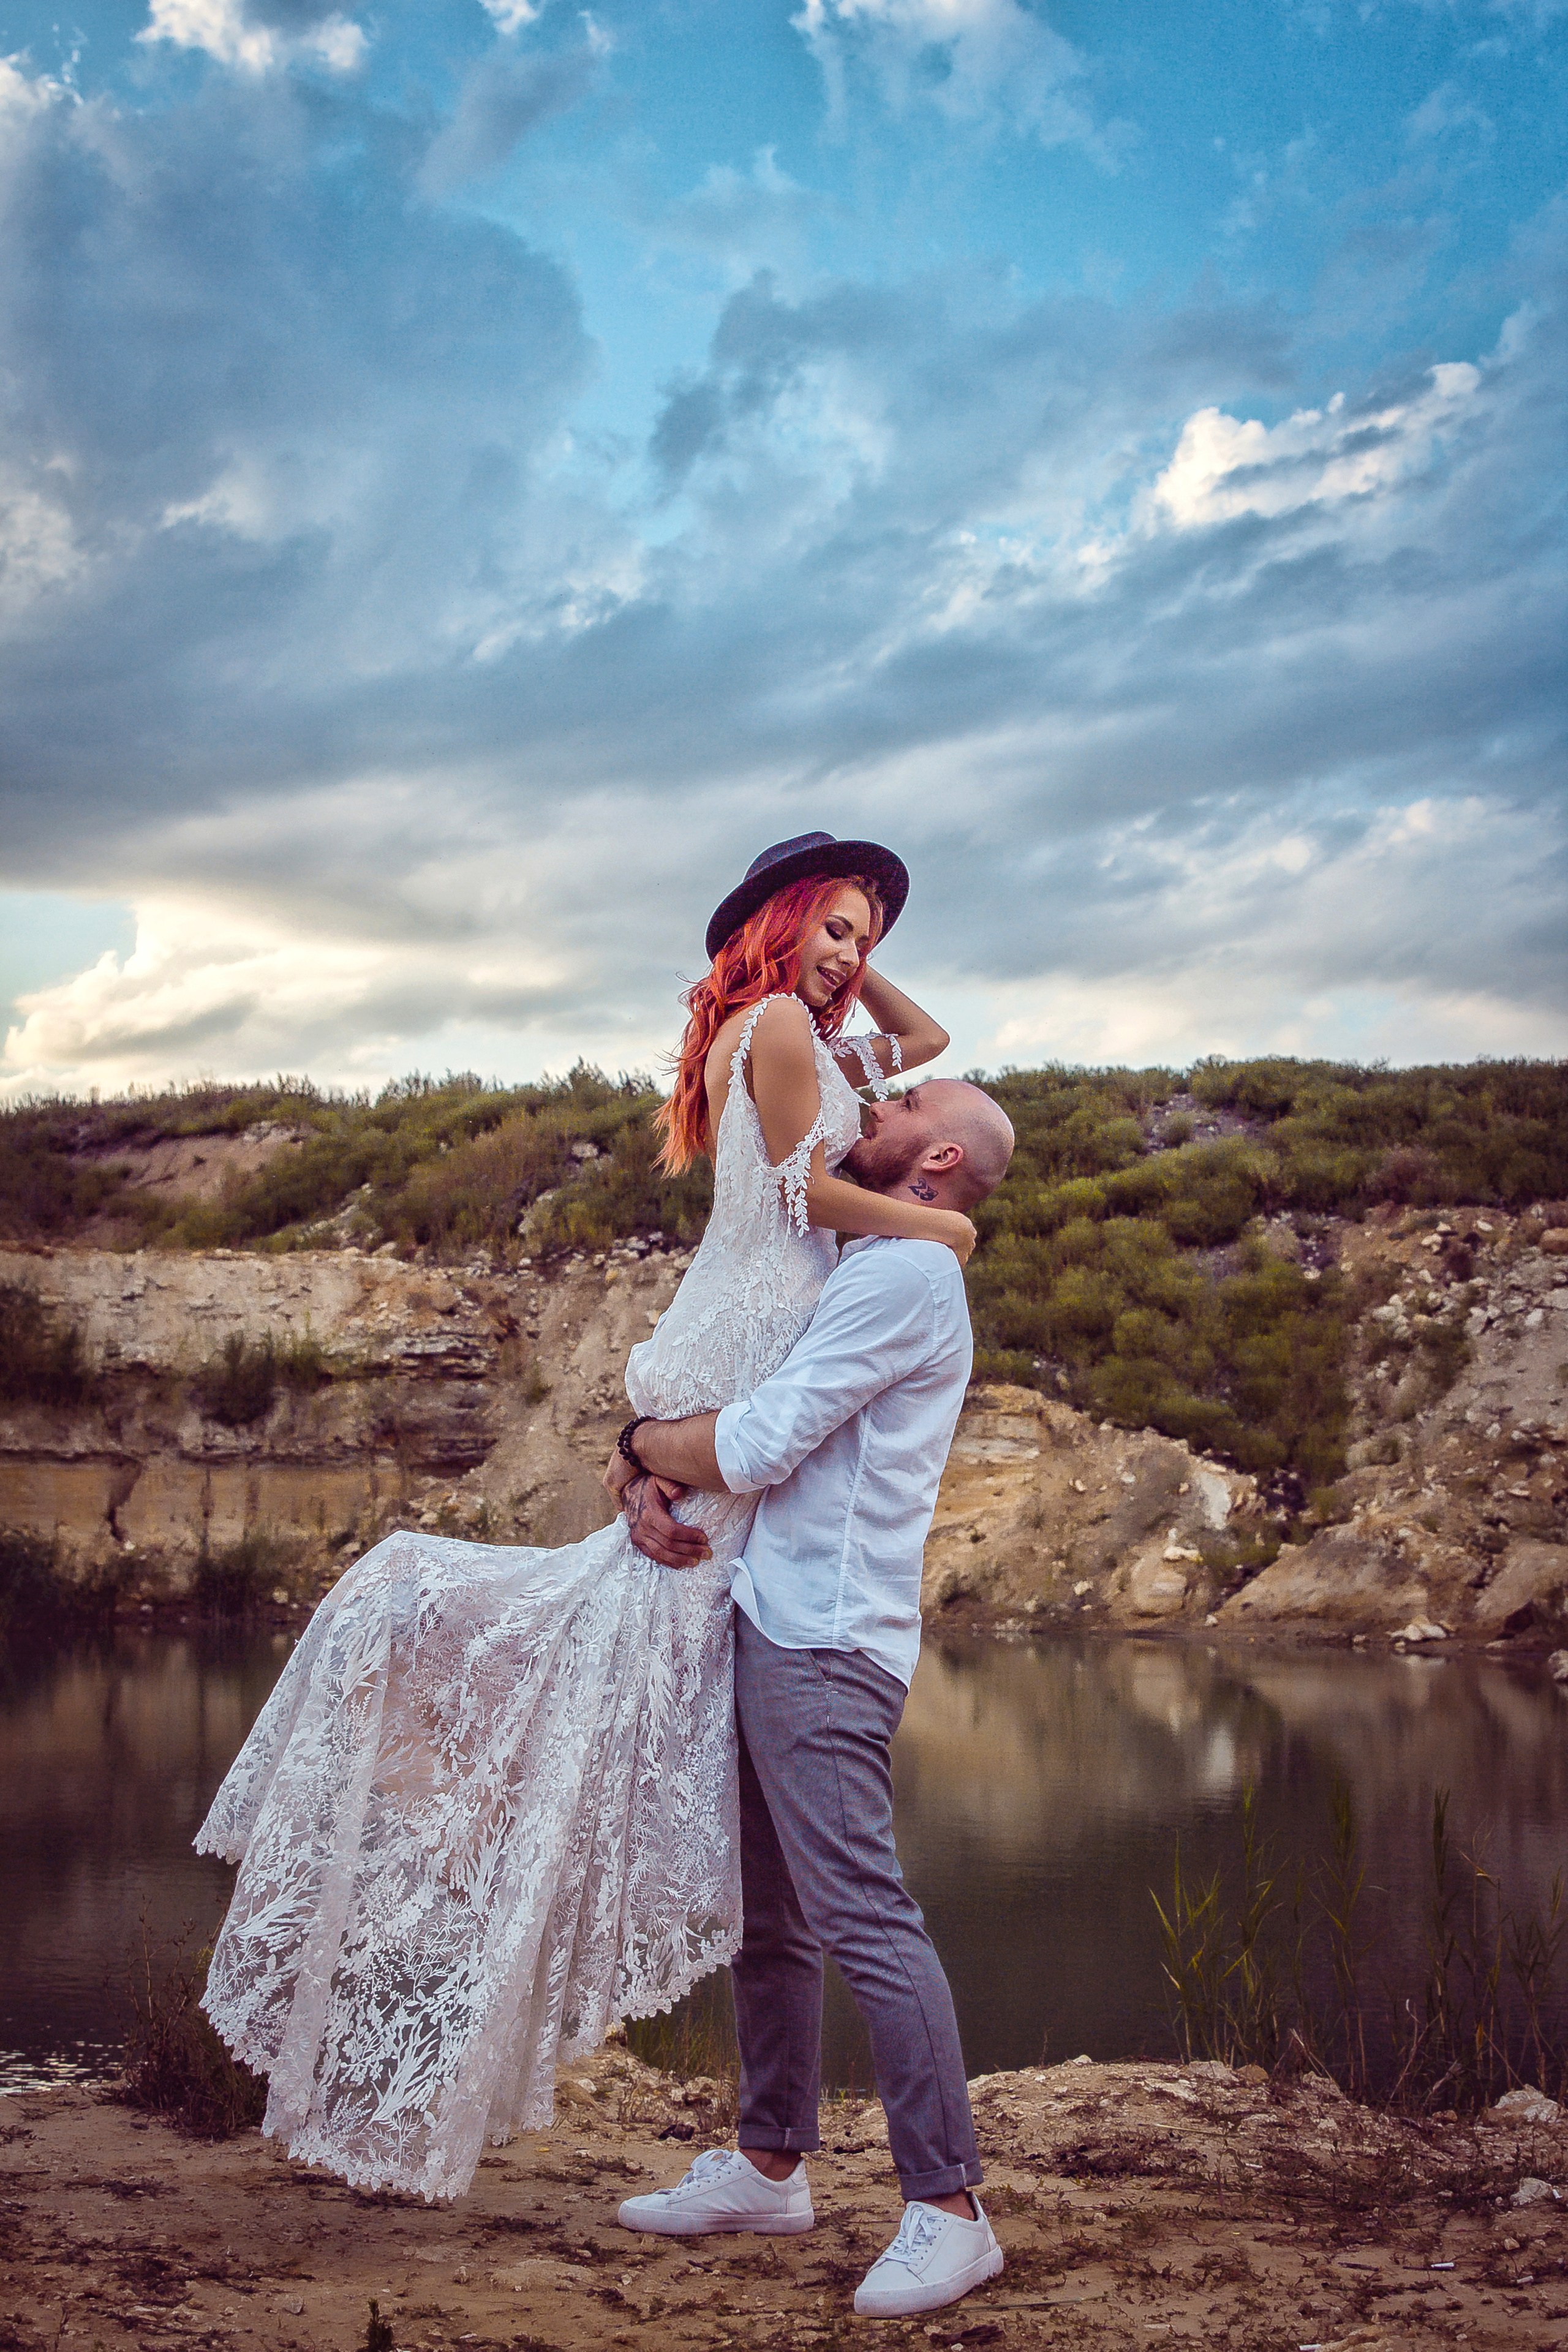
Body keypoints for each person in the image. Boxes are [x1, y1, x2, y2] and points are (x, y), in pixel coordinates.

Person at [192, 831, 968, 2204]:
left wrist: (862, 959)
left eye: (868, 933)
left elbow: (937, 1038)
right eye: (834, 924)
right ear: (778, 925)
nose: (853, 956)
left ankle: (765, 2145)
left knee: (646, 1668)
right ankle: (739, 2131)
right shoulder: (783, 1024)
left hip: (763, 1380)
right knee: (626, 1640)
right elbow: (804, 1196)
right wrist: (947, 1230)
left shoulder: (800, 1030)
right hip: (749, 1335)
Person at [605, 1076, 1016, 2320]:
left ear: (934, 1156)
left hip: (826, 1641)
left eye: (895, 1104)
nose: (866, 1102)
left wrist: (635, 1448)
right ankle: (770, 2165)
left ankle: (950, 2212)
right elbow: (875, 1067)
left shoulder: (903, 1277)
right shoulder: (861, 1250)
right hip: (772, 1616)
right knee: (770, 1920)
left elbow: (757, 1443)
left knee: (863, 1917)